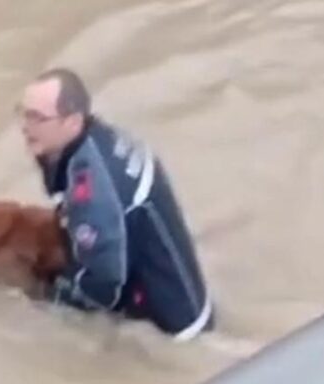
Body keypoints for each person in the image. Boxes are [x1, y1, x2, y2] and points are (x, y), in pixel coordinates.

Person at [15, 67, 214, 341]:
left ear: (72, 122)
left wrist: (55, 299)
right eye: (23, 113)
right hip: (181, 294)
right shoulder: (98, 139)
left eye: (37, 118)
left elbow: (103, 279)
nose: (25, 126)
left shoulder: (92, 192)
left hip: (171, 329)